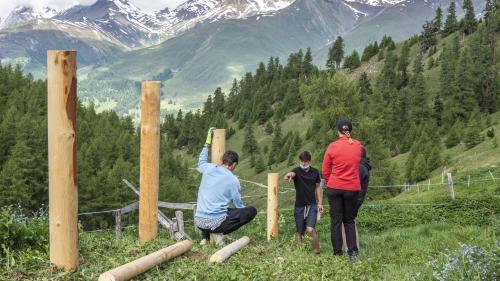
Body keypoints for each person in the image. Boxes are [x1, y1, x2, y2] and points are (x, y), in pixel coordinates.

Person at [194, 128, 257, 246]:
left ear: (222, 161)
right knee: (251, 211)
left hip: (199, 222)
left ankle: (205, 238)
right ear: (234, 164)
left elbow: (201, 160)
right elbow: (238, 205)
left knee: (217, 208)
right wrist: (235, 183)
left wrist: (207, 143)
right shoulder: (233, 180)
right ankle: (218, 233)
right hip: (216, 224)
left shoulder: (208, 168)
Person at [322, 119, 362, 261]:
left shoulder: (332, 146)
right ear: (350, 131)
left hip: (335, 187)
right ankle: (351, 253)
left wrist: (329, 182)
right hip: (352, 187)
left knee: (336, 221)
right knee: (349, 220)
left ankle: (337, 254)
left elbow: (325, 170)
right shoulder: (357, 145)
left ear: (338, 131)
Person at [284, 151, 323, 254]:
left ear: (309, 161)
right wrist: (289, 175)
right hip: (299, 206)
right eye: (302, 161)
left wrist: (320, 203)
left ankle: (317, 252)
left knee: (310, 229)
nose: (304, 163)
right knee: (299, 232)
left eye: (305, 161)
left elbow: (318, 187)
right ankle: (300, 254)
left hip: (312, 205)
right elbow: (292, 174)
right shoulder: (296, 171)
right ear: (299, 161)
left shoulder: (315, 172)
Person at [354, 146, 371, 217]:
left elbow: (355, 184)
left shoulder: (360, 167)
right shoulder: (363, 166)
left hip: (354, 199)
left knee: (348, 221)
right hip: (357, 198)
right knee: (350, 221)